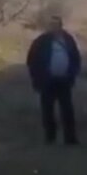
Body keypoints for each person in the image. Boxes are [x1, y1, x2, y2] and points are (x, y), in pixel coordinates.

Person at [26, 15, 82, 145]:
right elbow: (31, 60)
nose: (54, 27)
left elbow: (76, 58)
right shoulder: (41, 41)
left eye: (56, 24)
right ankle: (50, 137)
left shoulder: (68, 40)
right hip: (47, 81)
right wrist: (37, 77)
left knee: (67, 110)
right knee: (48, 110)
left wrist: (72, 74)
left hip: (64, 81)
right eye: (51, 24)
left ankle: (70, 138)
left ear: (61, 25)